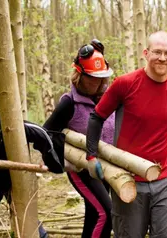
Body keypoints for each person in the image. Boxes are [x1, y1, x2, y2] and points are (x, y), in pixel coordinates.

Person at [86, 31, 167, 238]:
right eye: (157, 52)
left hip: (164, 179)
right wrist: (91, 155)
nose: (162, 58)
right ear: (146, 53)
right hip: (128, 181)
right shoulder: (125, 84)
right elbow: (97, 117)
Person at [0, 55, 61, 238]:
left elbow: (2, 137)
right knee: (19, 209)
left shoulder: (3, 101)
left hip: (6, 166)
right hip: (3, 166)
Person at [43, 39, 115, 238]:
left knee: (95, 214)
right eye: (91, 77)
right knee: (106, 213)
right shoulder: (69, 102)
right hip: (81, 169)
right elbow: (47, 132)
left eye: (101, 78)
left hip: (108, 165)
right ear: (79, 75)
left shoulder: (109, 98)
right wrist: (66, 159)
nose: (97, 82)